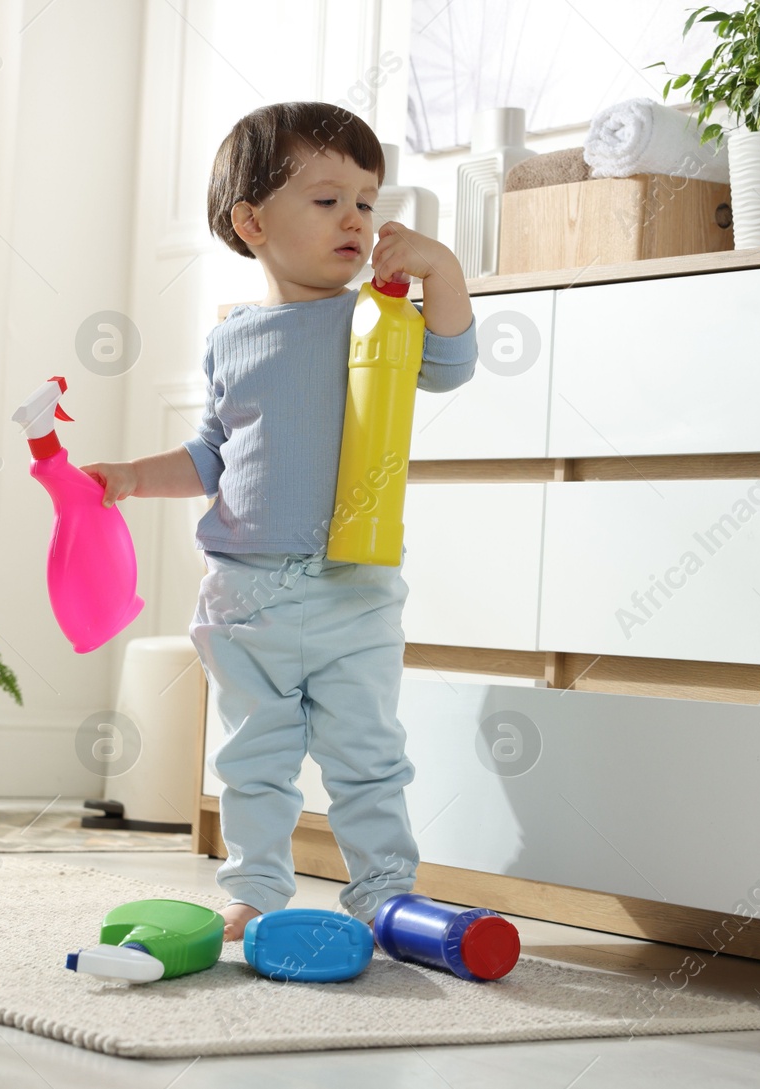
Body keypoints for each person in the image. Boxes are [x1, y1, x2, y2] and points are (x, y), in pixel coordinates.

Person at [81, 101, 476, 940]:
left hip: (353, 592)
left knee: (367, 757)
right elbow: (209, 455)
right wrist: (125, 479)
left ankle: (382, 892)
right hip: (245, 594)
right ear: (252, 221)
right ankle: (256, 887)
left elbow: (452, 364)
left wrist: (440, 269)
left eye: (367, 201)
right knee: (252, 759)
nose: (357, 220)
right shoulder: (232, 339)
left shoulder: (378, 316)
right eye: (328, 199)